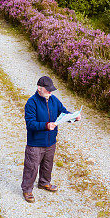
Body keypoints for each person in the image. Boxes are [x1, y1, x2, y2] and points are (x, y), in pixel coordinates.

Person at [21, 75, 80, 203]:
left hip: (50, 142)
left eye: (51, 90)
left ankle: (44, 183)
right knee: (32, 167)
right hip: (35, 144)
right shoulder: (31, 103)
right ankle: (27, 190)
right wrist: (46, 125)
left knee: (48, 165)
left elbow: (63, 112)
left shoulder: (54, 100)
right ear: (39, 88)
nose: (50, 92)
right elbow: (30, 124)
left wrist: (73, 117)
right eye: (48, 90)